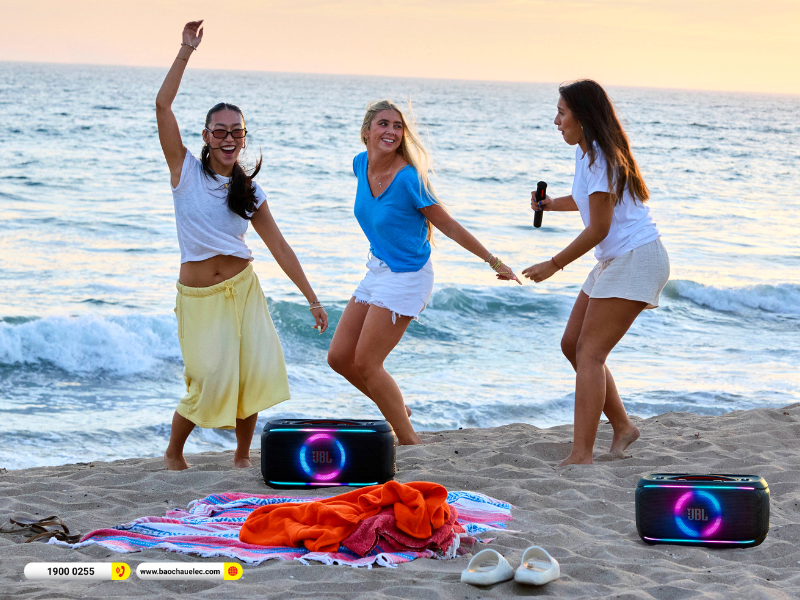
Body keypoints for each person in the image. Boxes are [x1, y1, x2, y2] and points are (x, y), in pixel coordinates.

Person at [156, 21, 328, 471]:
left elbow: (280, 247)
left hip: (244, 290)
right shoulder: (184, 171)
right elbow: (162, 105)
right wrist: (186, 50)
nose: (228, 138)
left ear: (244, 137)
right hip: (199, 297)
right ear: (206, 136)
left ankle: (241, 455)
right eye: (219, 131)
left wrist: (312, 298)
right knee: (206, 376)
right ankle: (174, 453)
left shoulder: (250, 191)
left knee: (250, 373)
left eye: (236, 131)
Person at [327, 100, 520, 446]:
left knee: (368, 363)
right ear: (366, 131)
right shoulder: (360, 164)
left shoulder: (409, 179)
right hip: (379, 269)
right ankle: (397, 407)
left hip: (408, 275)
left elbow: (449, 225)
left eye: (397, 126)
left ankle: (409, 441)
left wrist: (493, 261)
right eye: (383, 124)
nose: (391, 131)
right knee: (339, 357)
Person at [522, 79, 669, 466]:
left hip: (636, 256)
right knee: (572, 344)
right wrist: (550, 205)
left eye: (562, 113)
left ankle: (581, 455)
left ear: (583, 118)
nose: (556, 121)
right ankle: (623, 427)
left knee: (589, 353)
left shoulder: (602, 158)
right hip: (617, 258)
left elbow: (599, 227)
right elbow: (590, 201)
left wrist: (554, 264)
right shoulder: (587, 154)